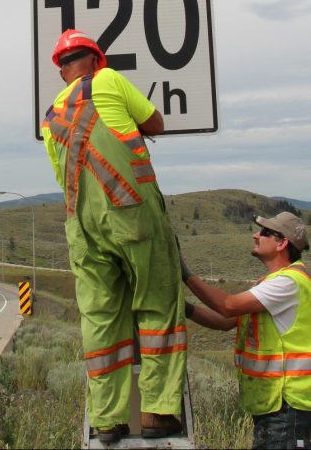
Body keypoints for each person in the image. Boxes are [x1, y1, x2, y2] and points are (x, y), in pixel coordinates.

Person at [41, 29, 186, 443]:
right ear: (95, 59)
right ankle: (158, 411)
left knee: (101, 321)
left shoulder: (50, 119)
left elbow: (63, 179)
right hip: (132, 215)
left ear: (63, 71)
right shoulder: (109, 79)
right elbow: (155, 121)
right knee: (158, 303)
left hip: (83, 231)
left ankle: (107, 421)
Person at [181, 212, 311, 449]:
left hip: (288, 407)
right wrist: (182, 307)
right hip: (273, 407)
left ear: (282, 243)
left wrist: (185, 274)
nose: (255, 235)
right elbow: (225, 321)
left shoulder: (288, 283)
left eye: (264, 232)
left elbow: (228, 306)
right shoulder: (270, 283)